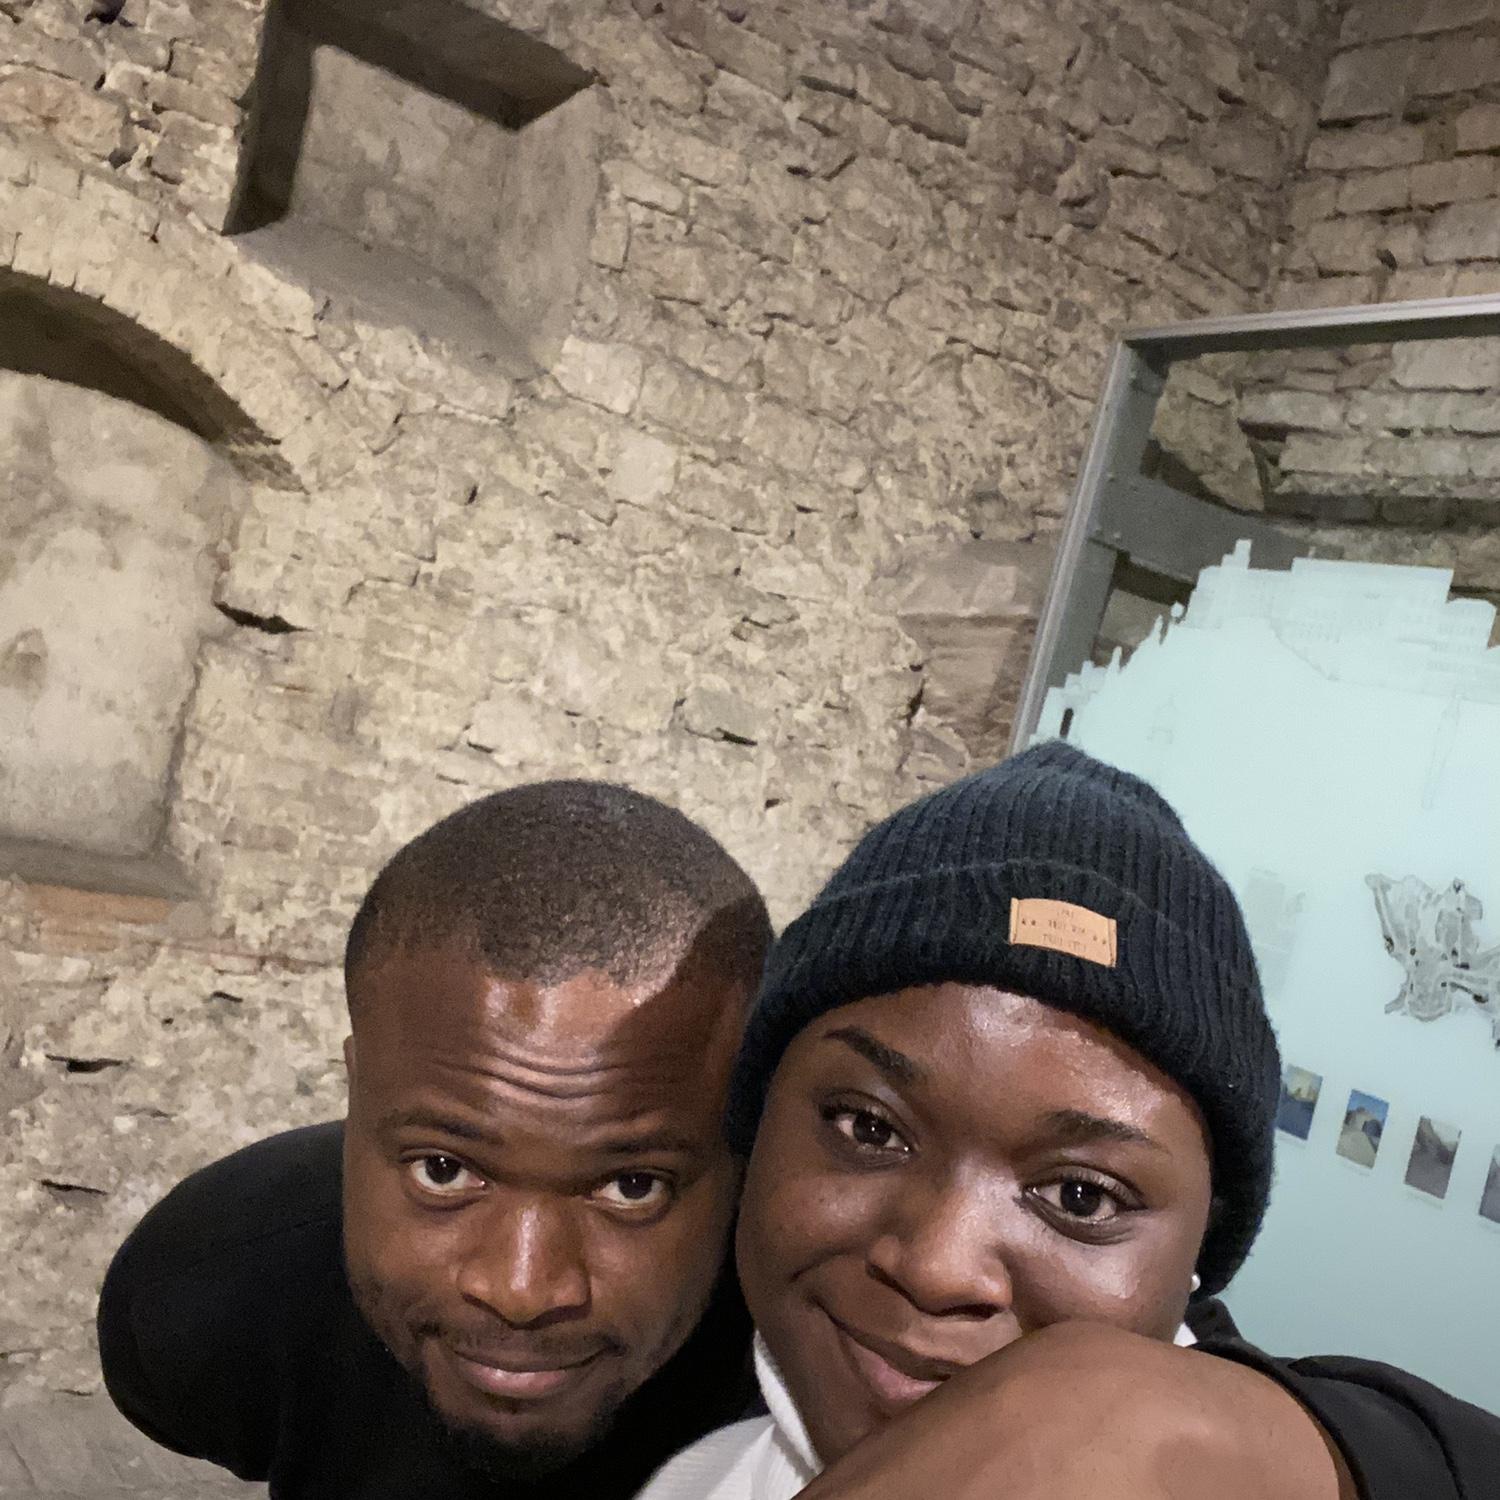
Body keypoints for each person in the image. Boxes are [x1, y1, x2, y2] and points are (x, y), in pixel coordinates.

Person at [639, 743, 1500, 1500]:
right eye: (869, 1128)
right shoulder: (689, 1468)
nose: (938, 1268)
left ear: (1200, 1258)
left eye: (1081, 1197)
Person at [97, 779, 772, 1499]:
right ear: (357, 1095)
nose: (521, 1290)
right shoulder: (209, 1300)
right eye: (443, 1170)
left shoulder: (810, 1391)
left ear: (744, 1152)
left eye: (632, 1187)